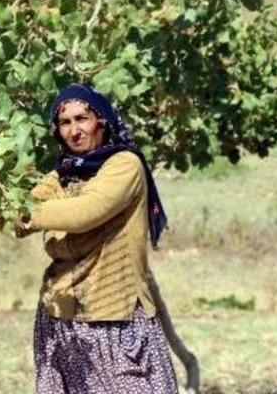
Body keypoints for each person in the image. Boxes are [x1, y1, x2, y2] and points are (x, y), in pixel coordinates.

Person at [15, 84, 178, 393]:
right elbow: (14, 219)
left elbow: (86, 211)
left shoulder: (123, 165)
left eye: (82, 119)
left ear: (101, 121)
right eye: (65, 123)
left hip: (116, 321)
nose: (74, 131)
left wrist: (25, 212)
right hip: (60, 319)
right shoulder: (61, 175)